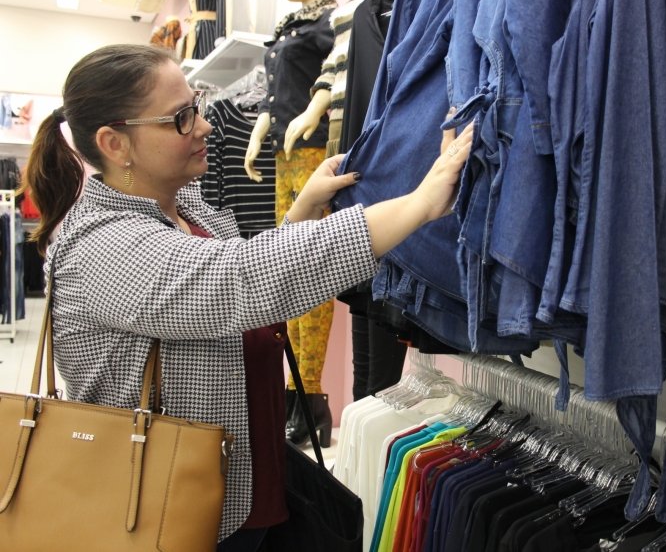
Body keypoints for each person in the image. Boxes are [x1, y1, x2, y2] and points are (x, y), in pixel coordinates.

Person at [23, 43, 472, 551]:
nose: (205, 126)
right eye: (181, 118)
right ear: (115, 143)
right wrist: (417, 205)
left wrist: (301, 209)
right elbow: (237, 282)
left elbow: (237, 295)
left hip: (241, 487)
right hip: (166, 515)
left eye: (197, 105)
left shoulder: (188, 214)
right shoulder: (102, 247)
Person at [244, 0, 340, 446]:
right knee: (289, 266)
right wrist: (259, 131)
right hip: (285, 154)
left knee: (311, 275)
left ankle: (312, 395)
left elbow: (333, 77)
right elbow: (273, 96)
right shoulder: (289, 27)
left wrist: (308, 115)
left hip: (314, 151)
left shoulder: (329, 23)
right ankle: (295, 392)